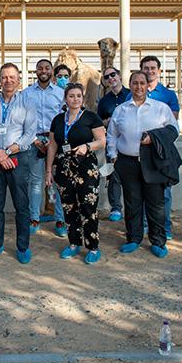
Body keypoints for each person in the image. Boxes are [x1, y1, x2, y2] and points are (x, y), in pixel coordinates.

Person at [106, 71, 181, 257]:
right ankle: (133, 238)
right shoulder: (121, 110)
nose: (138, 87)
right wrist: (113, 155)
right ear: (129, 85)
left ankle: (158, 241)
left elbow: (174, 130)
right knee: (132, 203)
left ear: (148, 85)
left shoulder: (160, 108)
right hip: (127, 162)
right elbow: (112, 134)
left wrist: (153, 139)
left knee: (156, 203)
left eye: (142, 83)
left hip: (153, 163)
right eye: (135, 83)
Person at [0, 63, 37, 264]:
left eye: (12, 77)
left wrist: (8, 151)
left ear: (19, 79)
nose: (8, 81)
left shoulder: (27, 104)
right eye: (4, 77)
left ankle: (22, 247)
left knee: (22, 205)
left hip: (18, 158)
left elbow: (30, 133)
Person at [45, 82, 106, 264]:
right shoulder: (57, 120)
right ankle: (73, 243)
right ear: (65, 99)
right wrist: (49, 169)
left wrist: (87, 146)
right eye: (71, 96)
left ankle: (93, 246)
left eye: (78, 96)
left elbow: (102, 141)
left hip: (86, 168)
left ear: (83, 98)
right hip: (64, 169)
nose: (75, 99)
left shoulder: (91, 117)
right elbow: (53, 146)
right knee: (69, 208)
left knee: (88, 207)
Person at [21, 58, 67, 237]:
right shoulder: (26, 93)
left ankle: (60, 220)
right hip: (34, 142)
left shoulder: (61, 93)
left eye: (47, 68)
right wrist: (34, 140)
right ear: (36, 71)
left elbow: (65, 118)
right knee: (35, 182)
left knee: (58, 182)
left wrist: (55, 140)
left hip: (55, 140)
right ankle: (34, 218)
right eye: (40, 68)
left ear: (52, 71)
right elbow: (21, 120)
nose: (43, 70)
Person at [141, 55, 180, 239]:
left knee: (164, 193)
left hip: (160, 151)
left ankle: (165, 227)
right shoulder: (133, 92)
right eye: (146, 68)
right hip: (139, 152)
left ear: (159, 70)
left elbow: (170, 126)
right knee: (141, 192)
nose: (149, 71)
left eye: (152, 68)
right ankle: (145, 226)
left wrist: (153, 137)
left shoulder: (168, 95)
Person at [96, 66, 130, 223]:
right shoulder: (104, 101)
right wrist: (106, 122)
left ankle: (133, 207)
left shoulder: (131, 95)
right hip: (113, 143)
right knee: (113, 176)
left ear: (119, 76)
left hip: (131, 142)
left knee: (133, 177)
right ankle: (116, 208)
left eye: (113, 74)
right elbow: (98, 123)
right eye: (107, 77)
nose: (111, 78)